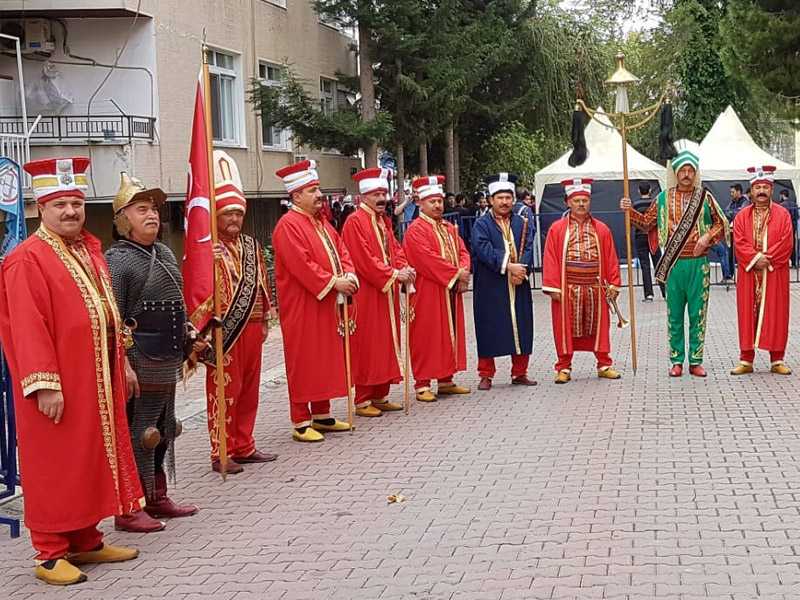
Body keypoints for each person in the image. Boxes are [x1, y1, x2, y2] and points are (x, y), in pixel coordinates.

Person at [0, 157, 142, 585]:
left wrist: (126, 363)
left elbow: (106, 314)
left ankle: (85, 539)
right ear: (40, 208)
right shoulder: (28, 259)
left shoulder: (89, 249)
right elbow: (27, 328)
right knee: (56, 464)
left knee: (89, 459)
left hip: (97, 377)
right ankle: (49, 551)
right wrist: (44, 384)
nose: (70, 212)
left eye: (76, 203)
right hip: (56, 384)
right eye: (59, 204)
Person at [106, 173, 201, 533]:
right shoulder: (116, 260)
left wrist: (190, 333)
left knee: (164, 429)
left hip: (167, 357)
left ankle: (157, 494)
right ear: (121, 219)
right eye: (141, 209)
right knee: (139, 433)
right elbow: (113, 318)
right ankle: (132, 504)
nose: (152, 216)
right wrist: (125, 363)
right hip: (138, 360)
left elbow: (176, 304)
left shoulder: (162, 252)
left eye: (155, 209)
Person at [198, 151, 276, 473]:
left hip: (253, 327)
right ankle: (221, 451)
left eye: (238, 214)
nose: (234, 220)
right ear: (215, 216)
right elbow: (199, 291)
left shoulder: (251, 245)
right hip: (225, 332)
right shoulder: (206, 247)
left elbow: (261, 281)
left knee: (249, 391)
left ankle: (245, 444)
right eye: (227, 214)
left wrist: (267, 317)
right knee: (225, 392)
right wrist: (209, 261)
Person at [621, 143, 728, 377]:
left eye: (691, 170)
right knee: (675, 315)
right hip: (674, 266)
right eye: (683, 171)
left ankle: (696, 360)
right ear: (676, 173)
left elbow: (722, 223)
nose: (687, 174)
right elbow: (647, 222)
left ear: (695, 173)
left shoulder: (705, 197)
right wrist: (630, 212)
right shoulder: (662, 198)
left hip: (699, 265)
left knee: (698, 314)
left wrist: (707, 237)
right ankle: (677, 360)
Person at [272, 159, 358, 442]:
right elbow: (302, 265)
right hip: (303, 306)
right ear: (296, 195)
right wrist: (334, 282)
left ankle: (322, 414)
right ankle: (300, 419)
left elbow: (342, 250)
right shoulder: (288, 226)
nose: (319, 195)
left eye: (318, 189)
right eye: (312, 190)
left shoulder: (322, 224)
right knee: (304, 359)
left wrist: (349, 274)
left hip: (326, 303)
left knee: (323, 357)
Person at [342, 168, 415, 417]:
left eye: (384, 192)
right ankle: (363, 399)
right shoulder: (354, 222)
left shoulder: (382, 221)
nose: (382, 198)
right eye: (376, 194)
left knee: (386, 342)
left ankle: (380, 394)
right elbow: (364, 259)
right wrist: (393, 275)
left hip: (386, 293)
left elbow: (394, 248)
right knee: (368, 343)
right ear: (364, 197)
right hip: (368, 293)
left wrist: (403, 266)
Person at [543, 178, 623, 384]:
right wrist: (552, 286)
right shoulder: (557, 229)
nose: (581, 204)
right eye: (576, 200)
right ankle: (563, 367)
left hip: (595, 287)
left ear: (589, 202)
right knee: (564, 327)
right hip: (567, 287)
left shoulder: (602, 229)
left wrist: (614, 283)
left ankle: (604, 364)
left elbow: (611, 257)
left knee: (599, 327)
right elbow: (550, 257)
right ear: (568, 202)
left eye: (584, 200)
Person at [403, 175, 471, 402]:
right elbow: (426, 260)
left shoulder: (449, 228)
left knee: (448, 334)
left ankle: (446, 379)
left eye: (440, 201)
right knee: (426, 335)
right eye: (432, 201)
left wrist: (463, 270)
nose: (438, 205)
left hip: (448, 291)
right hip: (427, 292)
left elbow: (463, 251)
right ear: (420, 203)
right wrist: (456, 274)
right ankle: (422, 383)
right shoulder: (415, 230)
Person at [472, 173, 536, 390]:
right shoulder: (481, 224)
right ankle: (486, 374)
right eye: (499, 197)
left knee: (522, 326)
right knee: (489, 327)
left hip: (519, 282)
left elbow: (528, 246)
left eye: (508, 197)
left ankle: (520, 372)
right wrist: (508, 266)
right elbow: (483, 249)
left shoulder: (522, 222)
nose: (504, 201)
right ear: (491, 200)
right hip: (491, 284)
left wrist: (521, 270)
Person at [730, 166, 793, 376]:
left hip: (774, 273)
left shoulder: (783, 215)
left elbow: (786, 241)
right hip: (749, 274)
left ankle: (777, 359)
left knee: (777, 314)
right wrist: (755, 258)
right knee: (747, 314)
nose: (762, 191)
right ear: (751, 190)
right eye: (758, 187)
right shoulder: (741, 216)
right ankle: (746, 360)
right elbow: (739, 241)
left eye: (765, 187)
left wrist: (767, 259)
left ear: (772, 189)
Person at [633, 182, 665, 301]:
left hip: (640, 236)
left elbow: (633, 221)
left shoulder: (635, 205)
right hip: (653, 236)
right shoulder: (655, 204)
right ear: (650, 190)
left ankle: (649, 294)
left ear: (639, 191)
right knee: (659, 264)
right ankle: (664, 291)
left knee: (645, 266)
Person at [776, 189, 798, 268]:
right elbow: (796, 217)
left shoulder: (781, 206)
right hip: (793, 227)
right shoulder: (794, 204)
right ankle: (794, 263)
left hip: (783, 229)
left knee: (783, 246)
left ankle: (783, 262)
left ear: (782, 195)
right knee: (792, 245)